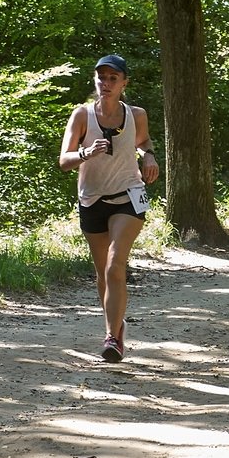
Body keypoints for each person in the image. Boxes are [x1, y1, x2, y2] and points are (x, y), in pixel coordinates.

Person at [59, 54, 160, 362]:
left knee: (116, 265)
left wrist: (149, 156)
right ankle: (116, 327)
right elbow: (64, 161)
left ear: (124, 83)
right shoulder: (82, 115)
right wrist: (86, 153)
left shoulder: (136, 114)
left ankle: (111, 338)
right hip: (92, 198)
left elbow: (143, 141)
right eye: (101, 77)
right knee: (103, 271)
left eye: (112, 78)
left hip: (129, 195)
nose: (105, 83)